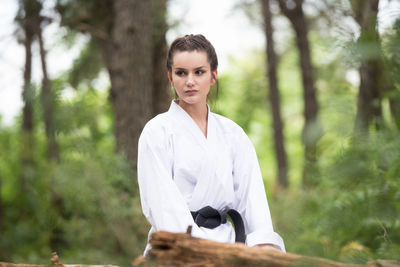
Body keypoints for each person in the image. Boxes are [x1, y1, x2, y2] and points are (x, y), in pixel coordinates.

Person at [137, 34, 285, 255]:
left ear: (213, 76)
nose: (190, 81)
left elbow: (253, 202)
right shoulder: (156, 132)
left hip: (229, 247)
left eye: (199, 72)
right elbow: (162, 207)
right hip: (175, 250)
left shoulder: (233, 134)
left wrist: (262, 251)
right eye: (181, 73)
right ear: (170, 77)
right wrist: (196, 251)